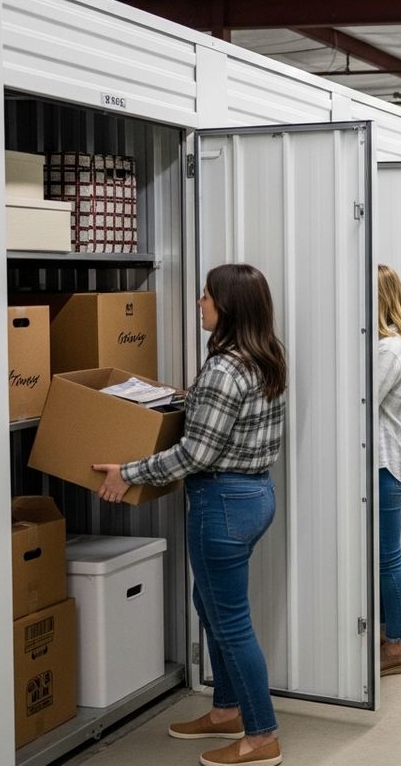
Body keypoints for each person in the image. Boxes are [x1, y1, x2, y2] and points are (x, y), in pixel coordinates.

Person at [94, 263, 287, 766]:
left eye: (206, 296)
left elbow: (196, 455)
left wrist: (129, 472)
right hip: (254, 496)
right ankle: (226, 710)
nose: (199, 303)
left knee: (231, 623)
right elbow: (225, 423)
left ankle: (262, 736)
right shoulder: (265, 356)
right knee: (210, 604)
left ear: (227, 306)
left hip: (221, 503)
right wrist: (183, 399)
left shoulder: (224, 370)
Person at [376, 265, 401, 676]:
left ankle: (398, 645)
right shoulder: (391, 343)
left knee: (388, 557)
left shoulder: (388, 350)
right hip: (388, 463)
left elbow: (362, 399)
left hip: (387, 464)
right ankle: (390, 635)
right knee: (384, 555)